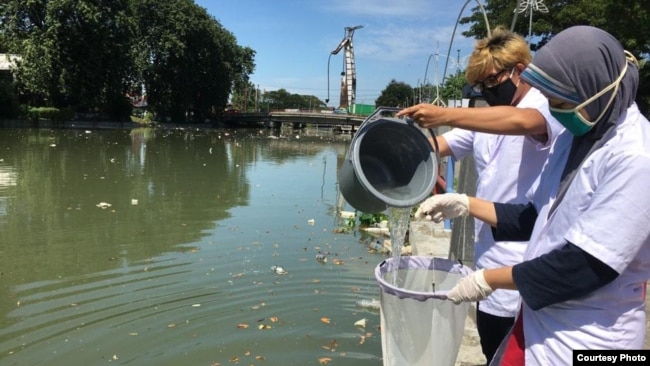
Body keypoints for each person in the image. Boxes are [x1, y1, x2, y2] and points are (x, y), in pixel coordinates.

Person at [414, 25, 650, 365]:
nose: (554, 111)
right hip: (540, 318)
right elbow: (534, 216)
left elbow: (584, 267)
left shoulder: (635, 157)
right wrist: (465, 204)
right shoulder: (578, 139)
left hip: (594, 337)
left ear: (593, 90)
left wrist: (488, 279)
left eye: (559, 102)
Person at [397, 26, 561, 364]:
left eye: (492, 81)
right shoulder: (485, 124)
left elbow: (522, 122)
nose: (487, 91)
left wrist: (444, 114)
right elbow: (441, 145)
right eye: (481, 86)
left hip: (526, 255)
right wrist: (397, 152)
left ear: (519, 70)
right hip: (488, 258)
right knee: (492, 351)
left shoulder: (541, 107)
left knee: (523, 353)